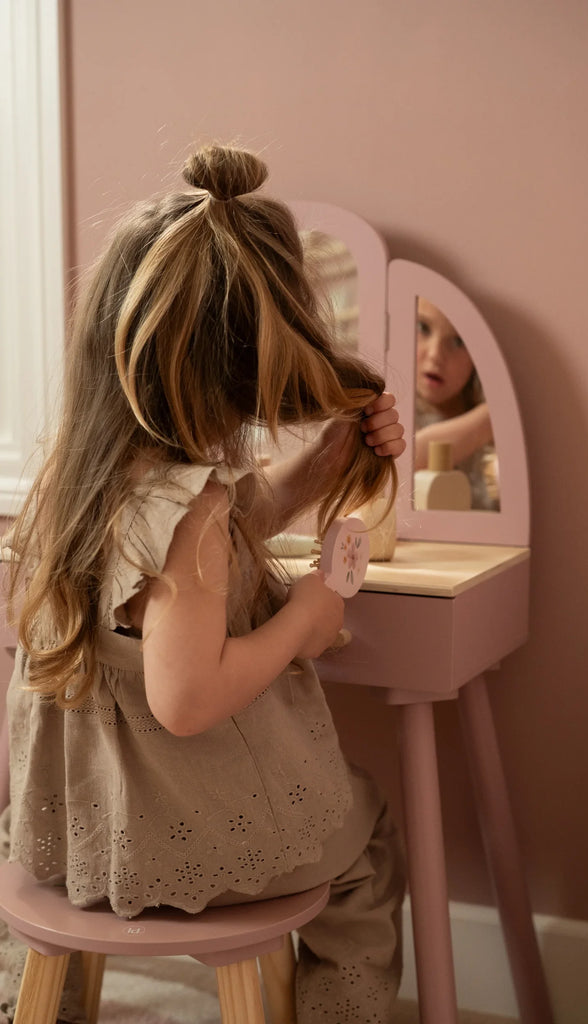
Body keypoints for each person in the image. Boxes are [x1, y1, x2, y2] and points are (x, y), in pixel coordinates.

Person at [0, 144, 407, 1024]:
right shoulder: (194, 514)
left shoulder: (81, 481)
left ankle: (37, 1001)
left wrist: (303, 480)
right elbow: (186, 699)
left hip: (78, 838)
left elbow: (175, 581)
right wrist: (306, 617)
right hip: (178, 840)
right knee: (365, 830)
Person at [413, 297, 499, 510]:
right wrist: (494, 417)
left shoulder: (493, 443)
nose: (435, 355)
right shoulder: (394, 412)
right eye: (423, 327)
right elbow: (405, 461)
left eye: (459, 341)